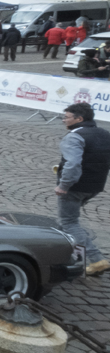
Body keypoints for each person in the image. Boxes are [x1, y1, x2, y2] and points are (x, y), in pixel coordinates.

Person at [54, 102, 110, 275]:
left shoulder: (74, 137)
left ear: (79, 119)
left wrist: (63, 186)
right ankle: (71, 254)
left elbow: (73, 164)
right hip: (95, 186)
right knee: (70, 220)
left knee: (69, 223)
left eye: (66, 117)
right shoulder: (104, 133)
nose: (63, 120)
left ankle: (96, 259)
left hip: (75, 187)